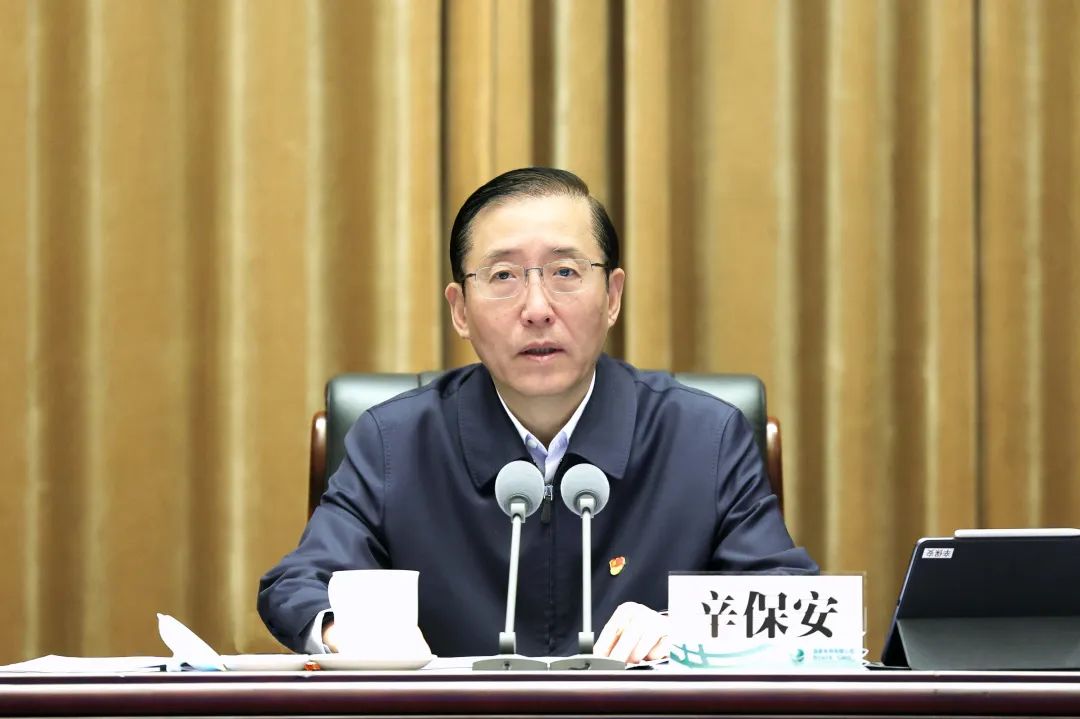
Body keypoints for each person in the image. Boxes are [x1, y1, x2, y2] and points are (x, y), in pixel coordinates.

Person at [258, 167, 817, 663]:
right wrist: (342, 631)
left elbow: (795, 601)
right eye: (503, 276)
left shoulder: (704, 438)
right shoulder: (395, 442)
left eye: (565, 272)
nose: (537, 309)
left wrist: (687, 629)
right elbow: (298, 583)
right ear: (460, 310)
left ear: (613, 296)